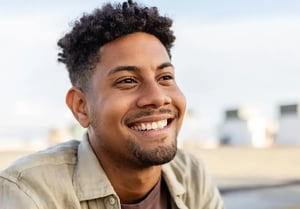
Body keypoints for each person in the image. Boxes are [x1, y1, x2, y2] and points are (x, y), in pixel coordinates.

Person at [0, 0, 224, 208]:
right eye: (127, 81)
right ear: (81, 106)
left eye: (165, 77)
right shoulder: (30, 192)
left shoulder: (192, 175)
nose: (157, 97)